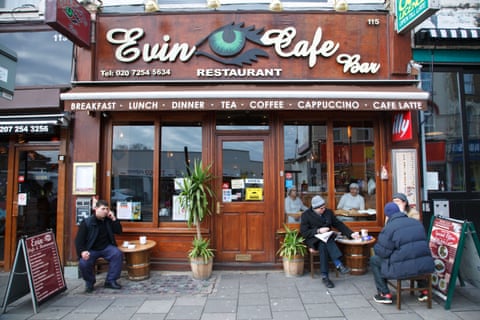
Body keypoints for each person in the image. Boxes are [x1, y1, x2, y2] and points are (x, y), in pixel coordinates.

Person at [370, 202, 434, 304]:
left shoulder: (389, 228)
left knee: (374, 260)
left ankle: (384, 293)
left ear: (387, 215)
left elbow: (382, 252)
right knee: (416, 256)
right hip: (424, 265)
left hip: (402, 268)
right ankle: (424, 290)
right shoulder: (416, 223)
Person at [300, 195, 360, 288]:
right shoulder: (306, 215)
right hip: (314, 239)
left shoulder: (328, 212)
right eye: (321, 208)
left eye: (324, 207)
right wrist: (318, 231)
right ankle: (339, 264)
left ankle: (325, 277)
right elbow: (304, 232)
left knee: (324, 244)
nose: (323, 209)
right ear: (314, 208)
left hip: (326, 238)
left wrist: (351, 234)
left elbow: (338, 224)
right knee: (324, 242)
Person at [75, 199, 123, 293]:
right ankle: (90, 282)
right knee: (83, 263)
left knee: (117, 254)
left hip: (106, 247)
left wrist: (114, 219)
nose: (105, 211)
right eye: (103, 209)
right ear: (96, 209)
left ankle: (110, 280)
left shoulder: (108, 221)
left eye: (107, 209)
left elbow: (118, 231)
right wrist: (82, 251)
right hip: (91, 249)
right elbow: (79, 240)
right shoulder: (87, 222)